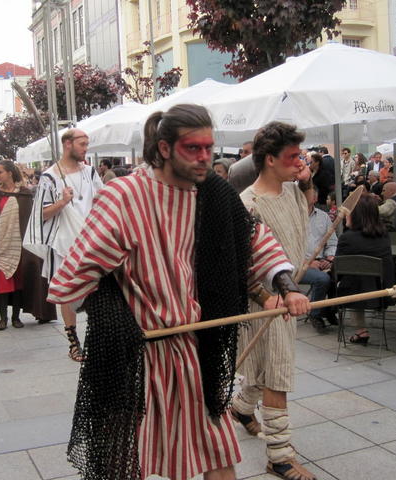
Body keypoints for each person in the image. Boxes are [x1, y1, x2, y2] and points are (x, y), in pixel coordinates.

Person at [46, 105, 310, 480]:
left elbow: (254, 239)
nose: (205, 157)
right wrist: (112, 294)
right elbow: (69, 281)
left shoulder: (214, 192)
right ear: (165, 147)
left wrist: (287, 286)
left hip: (191, 349)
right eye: (193, 148)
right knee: (128, 455)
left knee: (215, 448)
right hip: (137, 353)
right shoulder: (124, 196)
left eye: (209, 147)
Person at [232, 121, 316, 480]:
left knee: (263, 366)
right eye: (292, 156)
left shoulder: (292, 190)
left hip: (288, 293)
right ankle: (279, 455)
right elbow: (241, 264)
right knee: (277, 371)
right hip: (264, 301)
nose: (300, 162)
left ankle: (241, 408)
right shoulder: (246, 204)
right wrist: (267, 296)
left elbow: (307, 208)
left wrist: (307, 180)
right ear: (269, 159)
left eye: (301, 155)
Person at [24, 128, 103, 361]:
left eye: (87, 143)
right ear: (68, 144)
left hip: (90, 239)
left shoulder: (90, 172)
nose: (86, 148)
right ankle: (73, 342)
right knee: (68, 293)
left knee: (96, 289)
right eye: (82, 144)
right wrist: (62, 201)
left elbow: (103, 199)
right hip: (64, 242)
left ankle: (95, 338)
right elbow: (41, 215)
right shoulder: (49, 177)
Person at [0, 160, 57, 330]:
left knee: (19, 283)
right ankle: (3, 318)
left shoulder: (25, 195)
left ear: (10, 173)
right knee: (3, 282)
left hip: (20, 246)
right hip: (0, 245)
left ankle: (16, 318)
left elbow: (30, 220)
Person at [335, 194, 395, 344]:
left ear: (356, 215)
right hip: (381, 291)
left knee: (350, 280)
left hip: (354, 293)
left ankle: (360, 330)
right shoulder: (384, 236)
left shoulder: (347, 238)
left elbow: (337, 270)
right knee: (360, 278)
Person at [301, 186, 338, 332]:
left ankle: (329, 309)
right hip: (298, 265)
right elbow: (286, 248)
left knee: (338, 276)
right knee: (322, 279)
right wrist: (308, 263)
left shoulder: (323, 217)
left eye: (309, 194)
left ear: (315, 198)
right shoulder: (292, 217)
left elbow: (333, 241)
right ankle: (315, 313)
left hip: (322, 260)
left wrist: (330, 257)